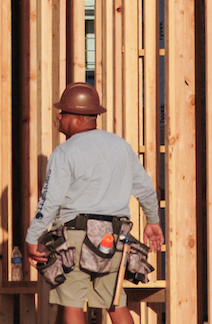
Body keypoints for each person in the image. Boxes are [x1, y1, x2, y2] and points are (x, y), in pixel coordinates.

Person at [24, 83, 164, 324]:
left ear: (78, 119)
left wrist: (32, 237)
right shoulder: (121, 146)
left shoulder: (65, 152)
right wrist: (153, 220)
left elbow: (50, 201)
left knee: (72, 304)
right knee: (115, 303)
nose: (59, 117)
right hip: (115, 238)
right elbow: (145, 188)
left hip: (75, 239)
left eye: (63, 113)